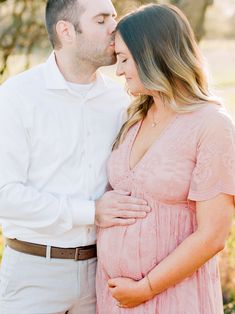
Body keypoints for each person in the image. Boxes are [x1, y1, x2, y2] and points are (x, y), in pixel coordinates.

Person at [0, 0, 151, 313]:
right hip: (34, 273)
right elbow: (5, 195)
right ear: (66, 31)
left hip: (105, 272)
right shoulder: (16, 97)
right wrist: (90, 211)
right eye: (101, 20)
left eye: (114, 16)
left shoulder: (121, 99)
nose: (115, 28)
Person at [96, 4, 235, 314]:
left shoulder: (211, 124)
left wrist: (145, 288)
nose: (118, 71)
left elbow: (212, 235)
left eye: (124, 59)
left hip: (173, 297)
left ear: (152, 55)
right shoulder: (132, 117)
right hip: (116, 299)